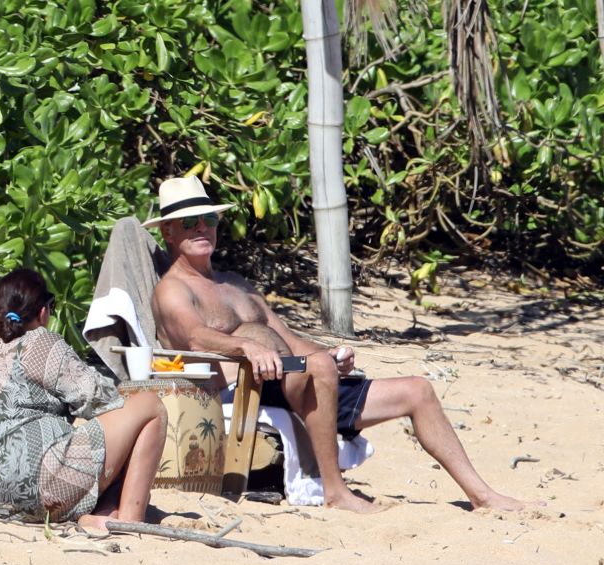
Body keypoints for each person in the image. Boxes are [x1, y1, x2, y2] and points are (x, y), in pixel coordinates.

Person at [147, 176, 534, 513]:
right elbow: (195, 336)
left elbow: (286, 337)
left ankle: (482, 495)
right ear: (168, 232)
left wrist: (328, 355)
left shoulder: (235, 284)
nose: (202, 228)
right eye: (189, 222)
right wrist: (248, 348)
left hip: (292, 381)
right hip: (242, 390)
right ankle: (335, 491)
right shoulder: (172, 290)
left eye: (209, 219)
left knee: (418, 390)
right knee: (315, 368)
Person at [0, 269, 167, 530]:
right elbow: (99, 399)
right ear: (43, 312)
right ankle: (130, 520)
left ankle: (105, 512)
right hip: (36, 492)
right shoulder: (41, 342)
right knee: (149, 405)